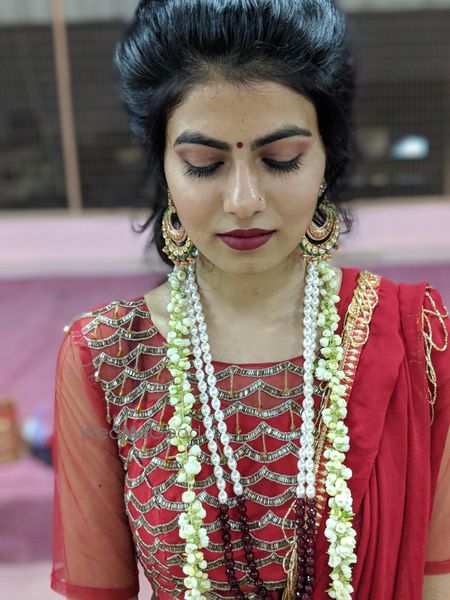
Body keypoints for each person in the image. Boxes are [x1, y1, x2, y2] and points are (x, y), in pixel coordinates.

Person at [50, 1, 450, 599]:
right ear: (165, 170)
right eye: (204, 164)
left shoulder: (414, 333)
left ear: (326, 159)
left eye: (280, 160)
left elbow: (438, 576)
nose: (243, 200)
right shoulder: (109, 355)